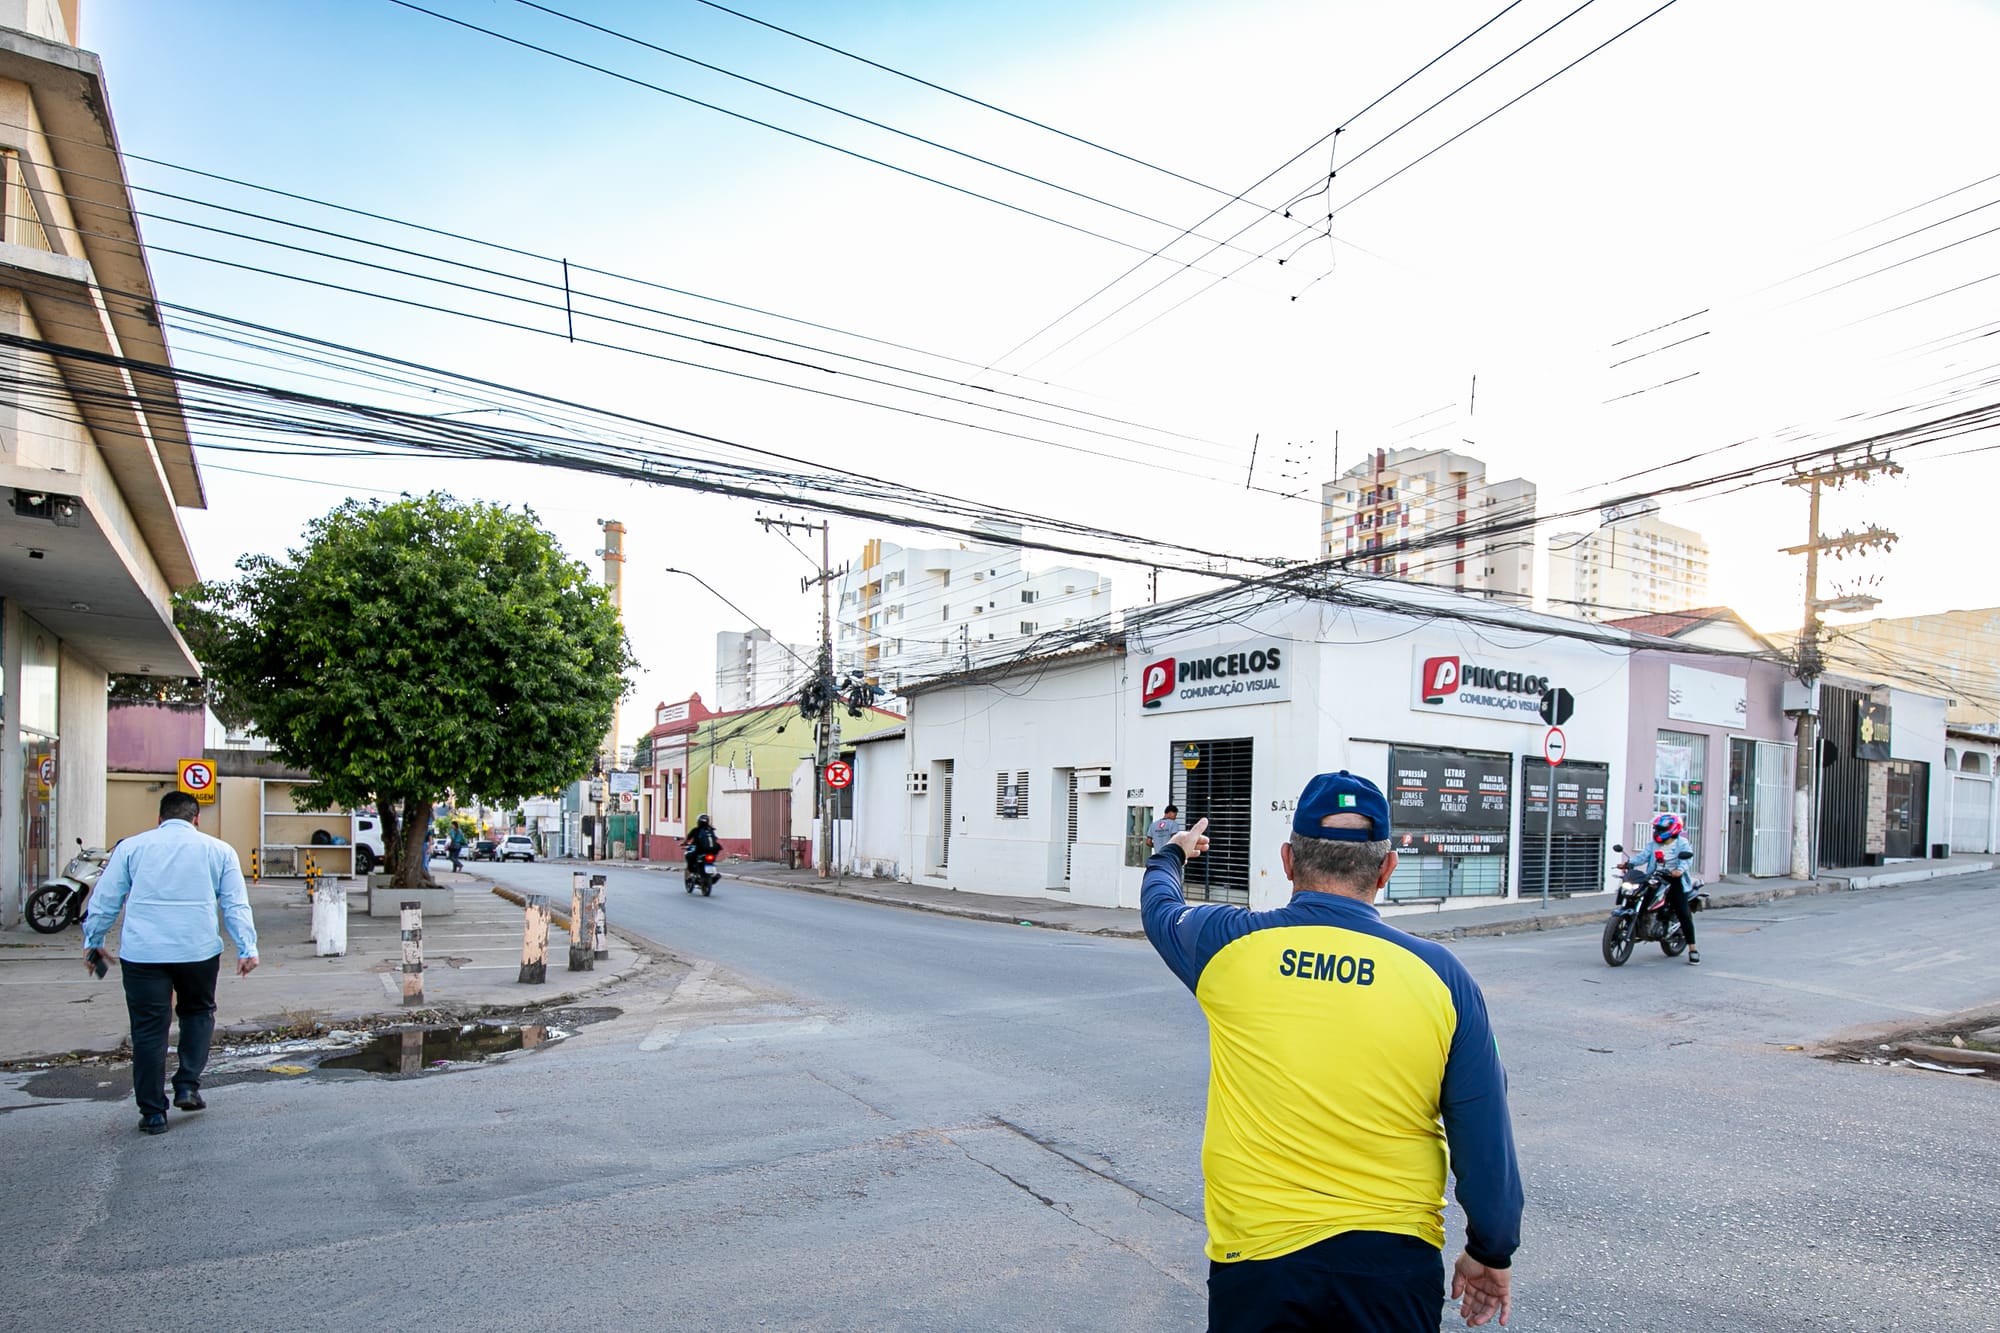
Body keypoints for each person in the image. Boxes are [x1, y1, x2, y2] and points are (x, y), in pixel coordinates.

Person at [1142, 771, 1522, 1331]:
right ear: (1387, 869)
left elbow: (1159, 908)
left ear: (1289, 861)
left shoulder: (1225, 944)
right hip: (1392, 1264)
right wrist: (1491, 1249)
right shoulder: (1444, 977)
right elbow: (1484, 1129)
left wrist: (1170, 853)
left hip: (1258, 1259)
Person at [81, 791, 259, 1136]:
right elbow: (236, 904)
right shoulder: (219, 850)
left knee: (148, 1030)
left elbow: (105, 899)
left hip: (143, 954)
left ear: (159, 819)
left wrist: (94, 942)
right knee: (198, 1012)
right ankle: (187, 1085)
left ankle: (152, 1113)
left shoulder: (132, 848)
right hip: (198, 952)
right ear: (196, 819)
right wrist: (246, 947)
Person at [1650, 813, 1699, 965]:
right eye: (1657, 828)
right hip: (1656, 878)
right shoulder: (1653, 844)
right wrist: (1628, 863)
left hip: (1675, 880)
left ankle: (1692, 949)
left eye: (1661, 828)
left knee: (1683, 913)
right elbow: (1643, 856)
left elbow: (1687, 859)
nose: (1658, 831)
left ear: (1673, 829)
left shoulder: (1682, 843)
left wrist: (1679, 870)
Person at [685, 813, 723, 877]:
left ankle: (692, 872)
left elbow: (688, 838)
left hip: (700, 849)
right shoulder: (711, 829)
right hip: (712, 850)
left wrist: (684, 843)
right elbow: (715, 839)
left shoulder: (696, 830)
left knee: (688, 856)